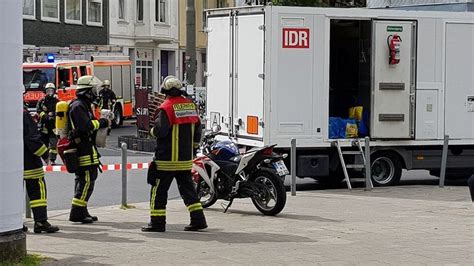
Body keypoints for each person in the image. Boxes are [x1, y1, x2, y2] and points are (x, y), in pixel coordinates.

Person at [142, 76, 207, 232]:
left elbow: (160, 131)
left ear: (165, 91)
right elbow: (198, 131)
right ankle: (198, 220)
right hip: (185, 160)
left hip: (166, 160)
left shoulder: (166, 108)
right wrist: (193, 149)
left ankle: (157, 223)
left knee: (158, 191)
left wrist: (151, 131)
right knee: (188, 190)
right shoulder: (191, 106)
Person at [68, 75, 110, 224]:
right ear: (86, 91)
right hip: (82, 148)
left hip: (87, 147)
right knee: (86, 180)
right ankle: (76, 212)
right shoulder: (78, 106)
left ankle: (82, 209)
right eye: (93, 90)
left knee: (86, 179)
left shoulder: (83, 105)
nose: (95, 92)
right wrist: (101, 123)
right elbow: (85, 126)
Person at [23, 104, 59, 233]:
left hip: (10, 161)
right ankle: (41, 221)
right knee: (38, 189)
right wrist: (44, 153)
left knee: (12, 193)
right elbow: (31, 138)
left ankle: (14, 223)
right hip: (29, 160)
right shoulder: (22, 113)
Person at [37, 83, 59, 165]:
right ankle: (46, 159)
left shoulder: (57, 101)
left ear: (54, 91)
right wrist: (45, 116)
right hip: (44, 126)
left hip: (53, 126)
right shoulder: (41, 101)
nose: (50, 92)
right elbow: (38, 110)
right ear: (45, 91)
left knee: (53, 144)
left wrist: (53, 114)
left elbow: (59, 111)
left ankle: (52, 159)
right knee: (44, 144)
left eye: (51, 90)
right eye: (48, 90)